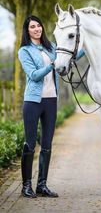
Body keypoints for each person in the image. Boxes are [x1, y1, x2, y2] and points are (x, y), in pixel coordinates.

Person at [18, 15, 59, 198]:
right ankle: (26, 186)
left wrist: (86, 50)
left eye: (39, 26)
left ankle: (42, 185)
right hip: (33, 101)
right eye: (33, 27)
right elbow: (34, 75)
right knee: (30, 143)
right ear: (27, 31)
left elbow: (66, 57)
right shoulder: (24, 51)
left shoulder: (51, 48)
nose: (37, 29)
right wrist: (51, 65)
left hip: (51, 100)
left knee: (47, 144)